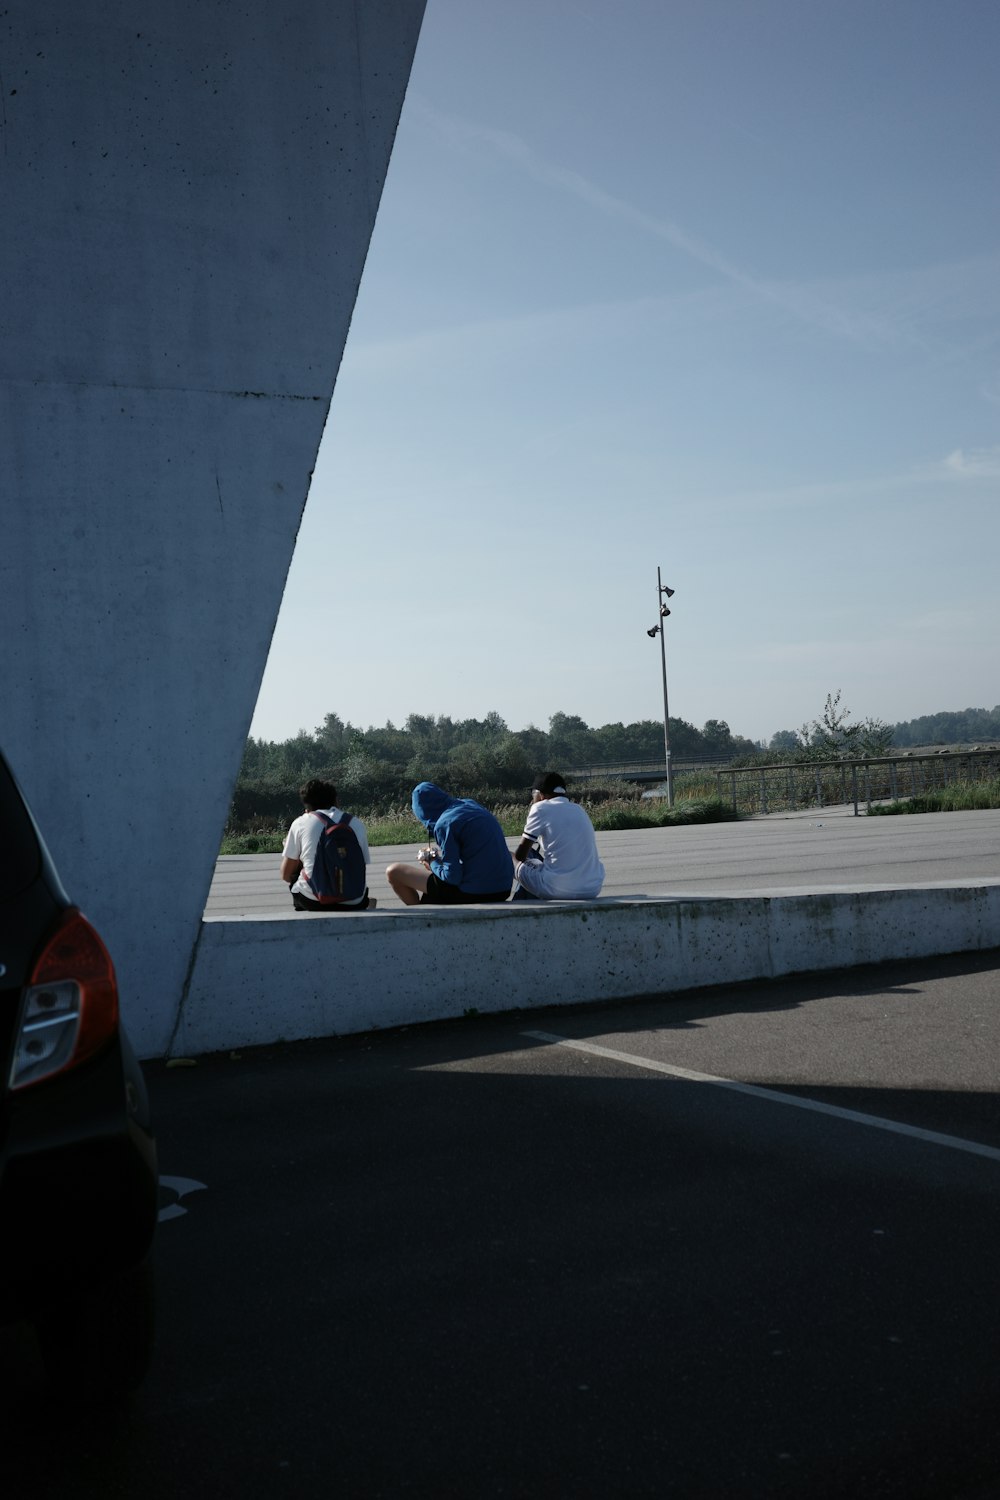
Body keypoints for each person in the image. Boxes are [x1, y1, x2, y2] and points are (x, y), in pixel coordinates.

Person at [386, 781, 513, 906]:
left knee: (394, 872)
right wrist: (437, 863)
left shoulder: (445, 823)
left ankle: (420, 920)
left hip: (476, 892)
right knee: (431, 887)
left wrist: (431, 860)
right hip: (503, 888)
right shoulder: (471, 805)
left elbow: (452, 876)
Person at [280, 778, 374, 911]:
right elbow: (360, 865)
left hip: (314, 901)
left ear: (306, 805)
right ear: (336, 800)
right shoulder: (356, 823)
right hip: (356, 900)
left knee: (296, 872)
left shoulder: (301, 822)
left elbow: (285, 874)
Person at [511, 771, 605, 901]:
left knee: (507, 856)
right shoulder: (579, 809)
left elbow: (520, 856)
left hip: (556, 889)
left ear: (540, 794)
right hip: (592, 888)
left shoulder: (539, 808)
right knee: (533, 856)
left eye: (532, 794)